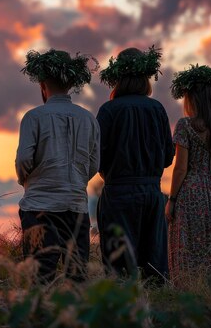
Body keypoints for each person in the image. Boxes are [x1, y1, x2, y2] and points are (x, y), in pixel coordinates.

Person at [16, 49, 100, 284]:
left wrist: (28, 181)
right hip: (76, 208)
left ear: (43, 85)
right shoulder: (88, 119)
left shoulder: (33, 118)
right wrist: (76, 181)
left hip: (39, 207)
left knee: (39, 281)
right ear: (71, 83)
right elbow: (94, 164)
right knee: (77, 280)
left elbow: (24, 159)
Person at [96, 46, 174, 281]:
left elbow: (96, 156)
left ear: (117, 77)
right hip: (152, 194)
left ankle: (122, 314)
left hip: (117, 194)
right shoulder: (157, 109)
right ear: (145, 76)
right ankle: (156, 316)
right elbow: (168, 156)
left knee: (118, 271)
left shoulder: (108, 110)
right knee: (155, 271)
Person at [166, 65, 211, 283]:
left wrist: (171, 199)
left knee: (189, 246)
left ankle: (189, 289)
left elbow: (180, 168)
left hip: (191, 192)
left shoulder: (185, 126)